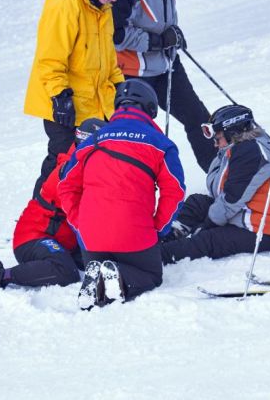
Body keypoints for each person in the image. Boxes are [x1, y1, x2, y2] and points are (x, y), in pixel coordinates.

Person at [58, 79, 186, 310]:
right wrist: (158, 228)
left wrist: (79, 223)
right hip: (134, 235)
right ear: (151, 108)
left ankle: (98, 276)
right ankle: (119, 276)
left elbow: (66, 186)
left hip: (91, 238)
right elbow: (174, 191)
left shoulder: (92, 140)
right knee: (151, 275)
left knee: (101, 256)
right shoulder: (161, 144)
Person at [24, 0, 136, 199]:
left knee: (90, 166)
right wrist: (59, 96)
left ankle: (75, 223)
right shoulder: (65, 2)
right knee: (62, 161)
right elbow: (50, 57)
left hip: (90, 104)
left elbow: (107, 60)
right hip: (61, 101)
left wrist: (122, 89)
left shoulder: (102, 7)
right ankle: (38, 217)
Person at [111, 0, 216, 172]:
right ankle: (134, 194)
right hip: (135, 74)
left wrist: (173, 32)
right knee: (139, 138)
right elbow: (118, 35)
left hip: (167, 64)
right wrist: (157, 41)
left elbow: (164, 10)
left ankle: (221, 177)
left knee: (198, 118)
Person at [0, 118, 107, 289]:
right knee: (65, 271)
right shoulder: (67, 173)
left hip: (62, 241)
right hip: (34, 237)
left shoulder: (83, 165)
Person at [161, 105, 270, 265]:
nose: (215, 144)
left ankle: (157, 256)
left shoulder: (250, 152)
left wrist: (207, 225)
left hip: (268, 229)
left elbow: (231, 199)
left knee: (208, 239)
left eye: (217, 138)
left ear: (233, 133)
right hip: (246, 212)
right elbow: (219, 189)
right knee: (197, 202)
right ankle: (167, 235)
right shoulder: (236, 148)